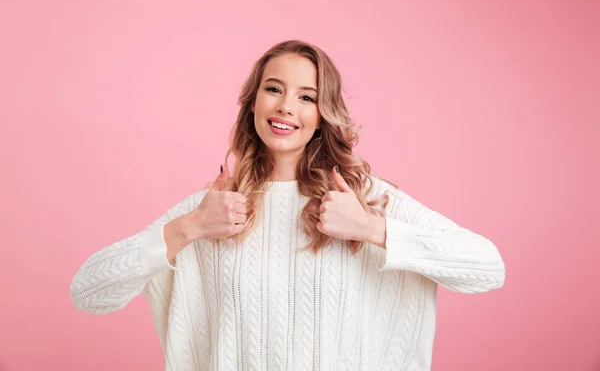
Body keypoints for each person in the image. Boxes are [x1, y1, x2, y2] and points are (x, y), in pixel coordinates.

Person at [70, 39, 505, 371]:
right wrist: (190, 228)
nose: (285, 107)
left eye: (306, 96)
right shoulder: (212, 208)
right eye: (273, 89)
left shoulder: (364, 199)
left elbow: (488, 268)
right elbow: (88, 292)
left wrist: (372, 229)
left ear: (323, 112)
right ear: (253, 102)